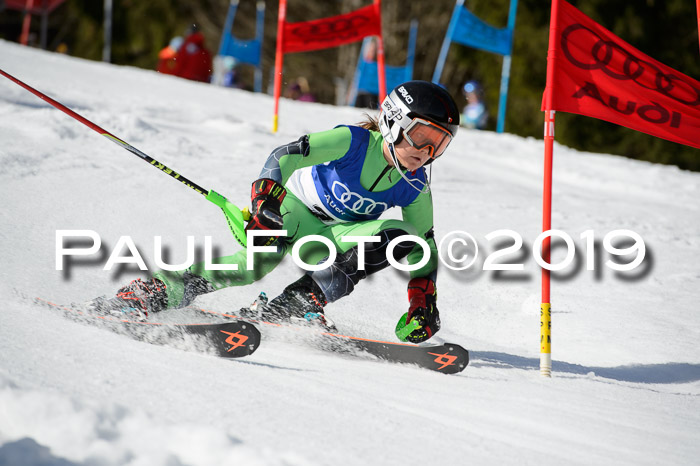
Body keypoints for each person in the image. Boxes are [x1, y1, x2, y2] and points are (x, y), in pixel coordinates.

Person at [94, 81, 460, 344]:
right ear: (395, 122)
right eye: (421, 137)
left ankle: (296, 305)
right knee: (252, 267)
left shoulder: (415, 186)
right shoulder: (354, 142)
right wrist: (264, 197)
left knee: (399, 236)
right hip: (291, 211)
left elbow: (421, 248)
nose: (426, 153)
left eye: (439, 145)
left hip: (330, 236)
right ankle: (152, 293)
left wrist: (422, 299)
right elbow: (285, 155)